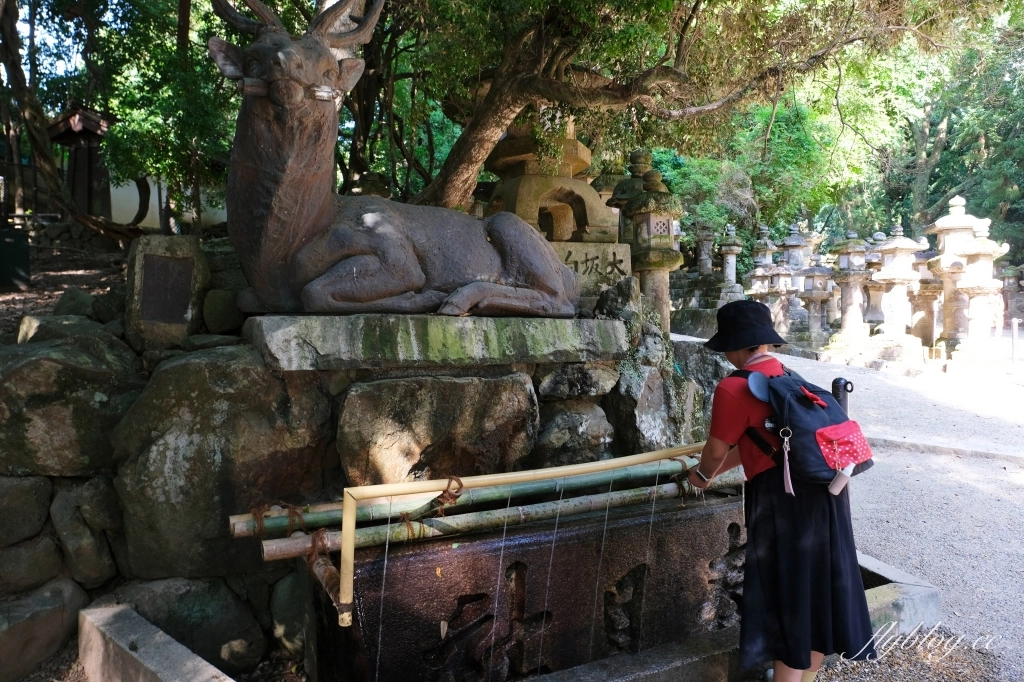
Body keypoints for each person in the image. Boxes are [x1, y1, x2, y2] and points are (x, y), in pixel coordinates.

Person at [686, 300, 876, 682]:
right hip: (825, 496)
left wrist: (699, 477)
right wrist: (707, 471)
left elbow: (717, 451)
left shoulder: (732, 388)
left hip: (781, 502)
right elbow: (757, 445)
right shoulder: (789, 379)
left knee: (787, 598)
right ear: (766, 343)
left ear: (737, 347)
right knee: (815, 594)